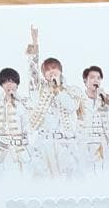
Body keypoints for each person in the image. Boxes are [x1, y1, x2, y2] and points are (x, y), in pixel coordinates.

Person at [26, 25, 80, 177]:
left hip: (65, 143)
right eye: (48, 70)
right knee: (44, 179)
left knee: (67, 179)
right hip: (44, 142)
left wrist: (58, 90)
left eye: (54, 68)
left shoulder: (71, 90)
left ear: (60, 70)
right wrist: (34, 43)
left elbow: (71, 107)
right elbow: (32, 71)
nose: (51, 72)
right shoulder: (39, 88)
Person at [77, 65, 109, 173]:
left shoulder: (105, 98)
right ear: (85, 80)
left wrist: (105, 97)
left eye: (98, 78)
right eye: (92, 77)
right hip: (85, 142)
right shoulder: (79, 98)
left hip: (103, 142)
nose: (96, 80)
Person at [0, 67, 31, 172]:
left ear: (17, 84)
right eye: (5, 82)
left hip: (21, 150)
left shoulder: (25, 103)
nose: (9, 85)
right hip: (3, 151)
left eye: (12, 82)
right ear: (2, 85)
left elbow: (30, 127)